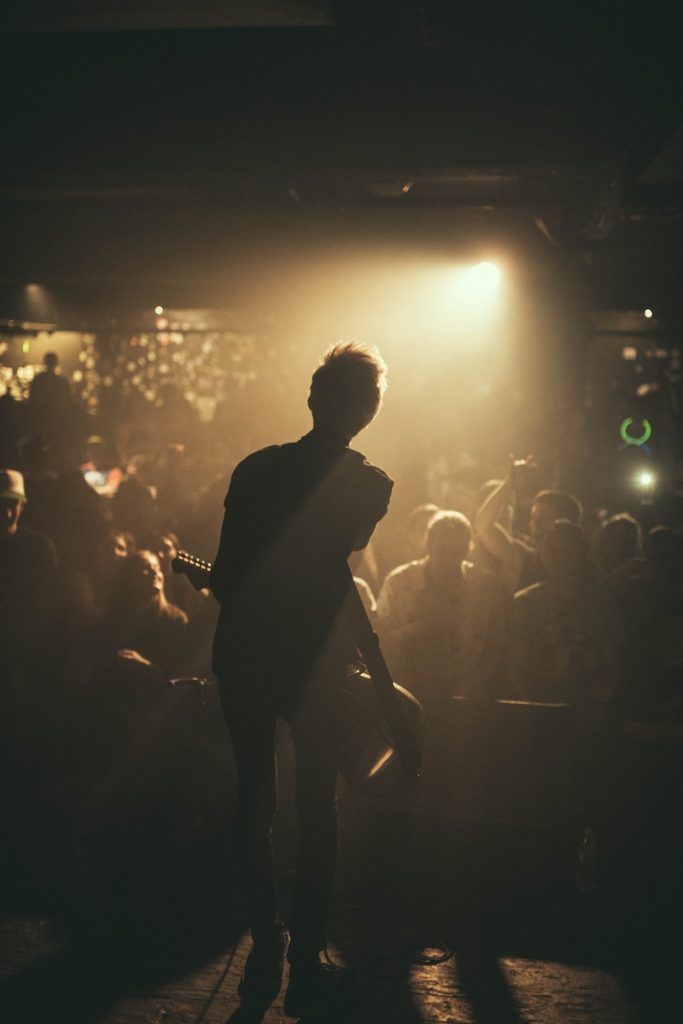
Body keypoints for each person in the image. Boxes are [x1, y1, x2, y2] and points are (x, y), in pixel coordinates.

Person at [210, 342, 417, 1016]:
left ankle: (264, 944)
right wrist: (381, 678)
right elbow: (334, 568)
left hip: (243, 651)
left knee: (252, 801)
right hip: (314, 661)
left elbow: (231, 577)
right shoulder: (370, 484)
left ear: (310, 398)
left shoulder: (253, 469)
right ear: (370, 410)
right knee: (316, 810)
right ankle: (306, 958)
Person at [377, 510, 510, 705]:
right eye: (443, 549)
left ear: (468, 548)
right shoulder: (399, 582)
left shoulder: (485, 586)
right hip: (408, 694)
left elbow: (496, 644)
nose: (449, 558)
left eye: (457, 551)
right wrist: (416, 629)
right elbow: (381, 642)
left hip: (470, 698)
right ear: (428, 545)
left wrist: (467, 689)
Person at [474, 456, 583, 592]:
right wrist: (510, 482)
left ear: (566, 522)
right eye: (533, 516)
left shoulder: (588, 570)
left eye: (545, 516)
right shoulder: (525, 560)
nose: (535, 522)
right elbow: (483, 526)